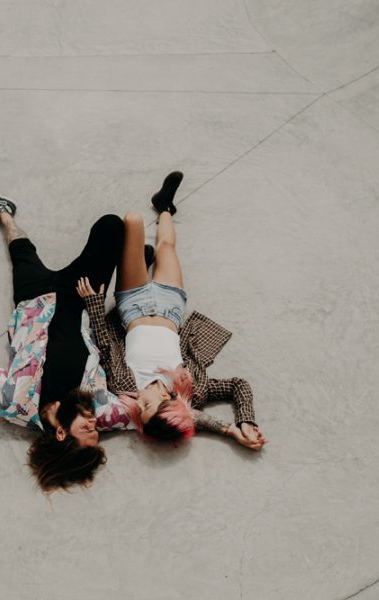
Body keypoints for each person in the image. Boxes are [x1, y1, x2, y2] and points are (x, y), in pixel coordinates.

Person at [0, 186, 134, 492]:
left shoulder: (16, 405)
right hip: (80, 296)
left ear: (61, 434)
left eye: (87, 430)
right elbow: (150, 414)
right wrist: (229, 428)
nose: (93, 424)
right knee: (111, 226)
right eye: (95, 429)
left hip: (32, 301)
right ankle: (139, 259)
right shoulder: (101, 410)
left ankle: (3, 211)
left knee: (19, 250)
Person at [76, 172, 266, 450]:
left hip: (133, 303)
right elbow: (238, 385)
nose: (138, 401)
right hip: (171, 306)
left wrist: (94, 304)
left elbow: (105, 345)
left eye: (141, 409)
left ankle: (140, 259)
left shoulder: (126, 385)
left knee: (132, 220)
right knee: (167, 245)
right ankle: (164, 205)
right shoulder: (193, 390)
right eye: (148, 403)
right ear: (169, 399)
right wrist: (243, 424)